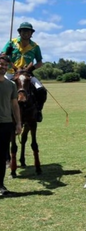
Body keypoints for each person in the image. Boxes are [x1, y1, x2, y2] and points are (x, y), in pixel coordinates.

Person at [2, 22, 47, 122]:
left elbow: (40, 62)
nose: (25, 33)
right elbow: (2, 56)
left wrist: (32, 69)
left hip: (27, 73)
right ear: (19, 32)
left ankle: (38, 111)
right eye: (23, 31)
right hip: (11, 72)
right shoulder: (11, 43)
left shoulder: (35, 46)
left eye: (28, 31)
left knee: (41, 90)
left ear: (31, 33)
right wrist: (6, 53)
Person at [0, 55, 22, 196]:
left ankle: (1, 186)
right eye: (0, 64)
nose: (2, 67)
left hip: (6, 123)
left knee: (2, 157)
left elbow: (15, 105)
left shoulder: (11, 85)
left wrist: (18, 122)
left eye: (5, 65)